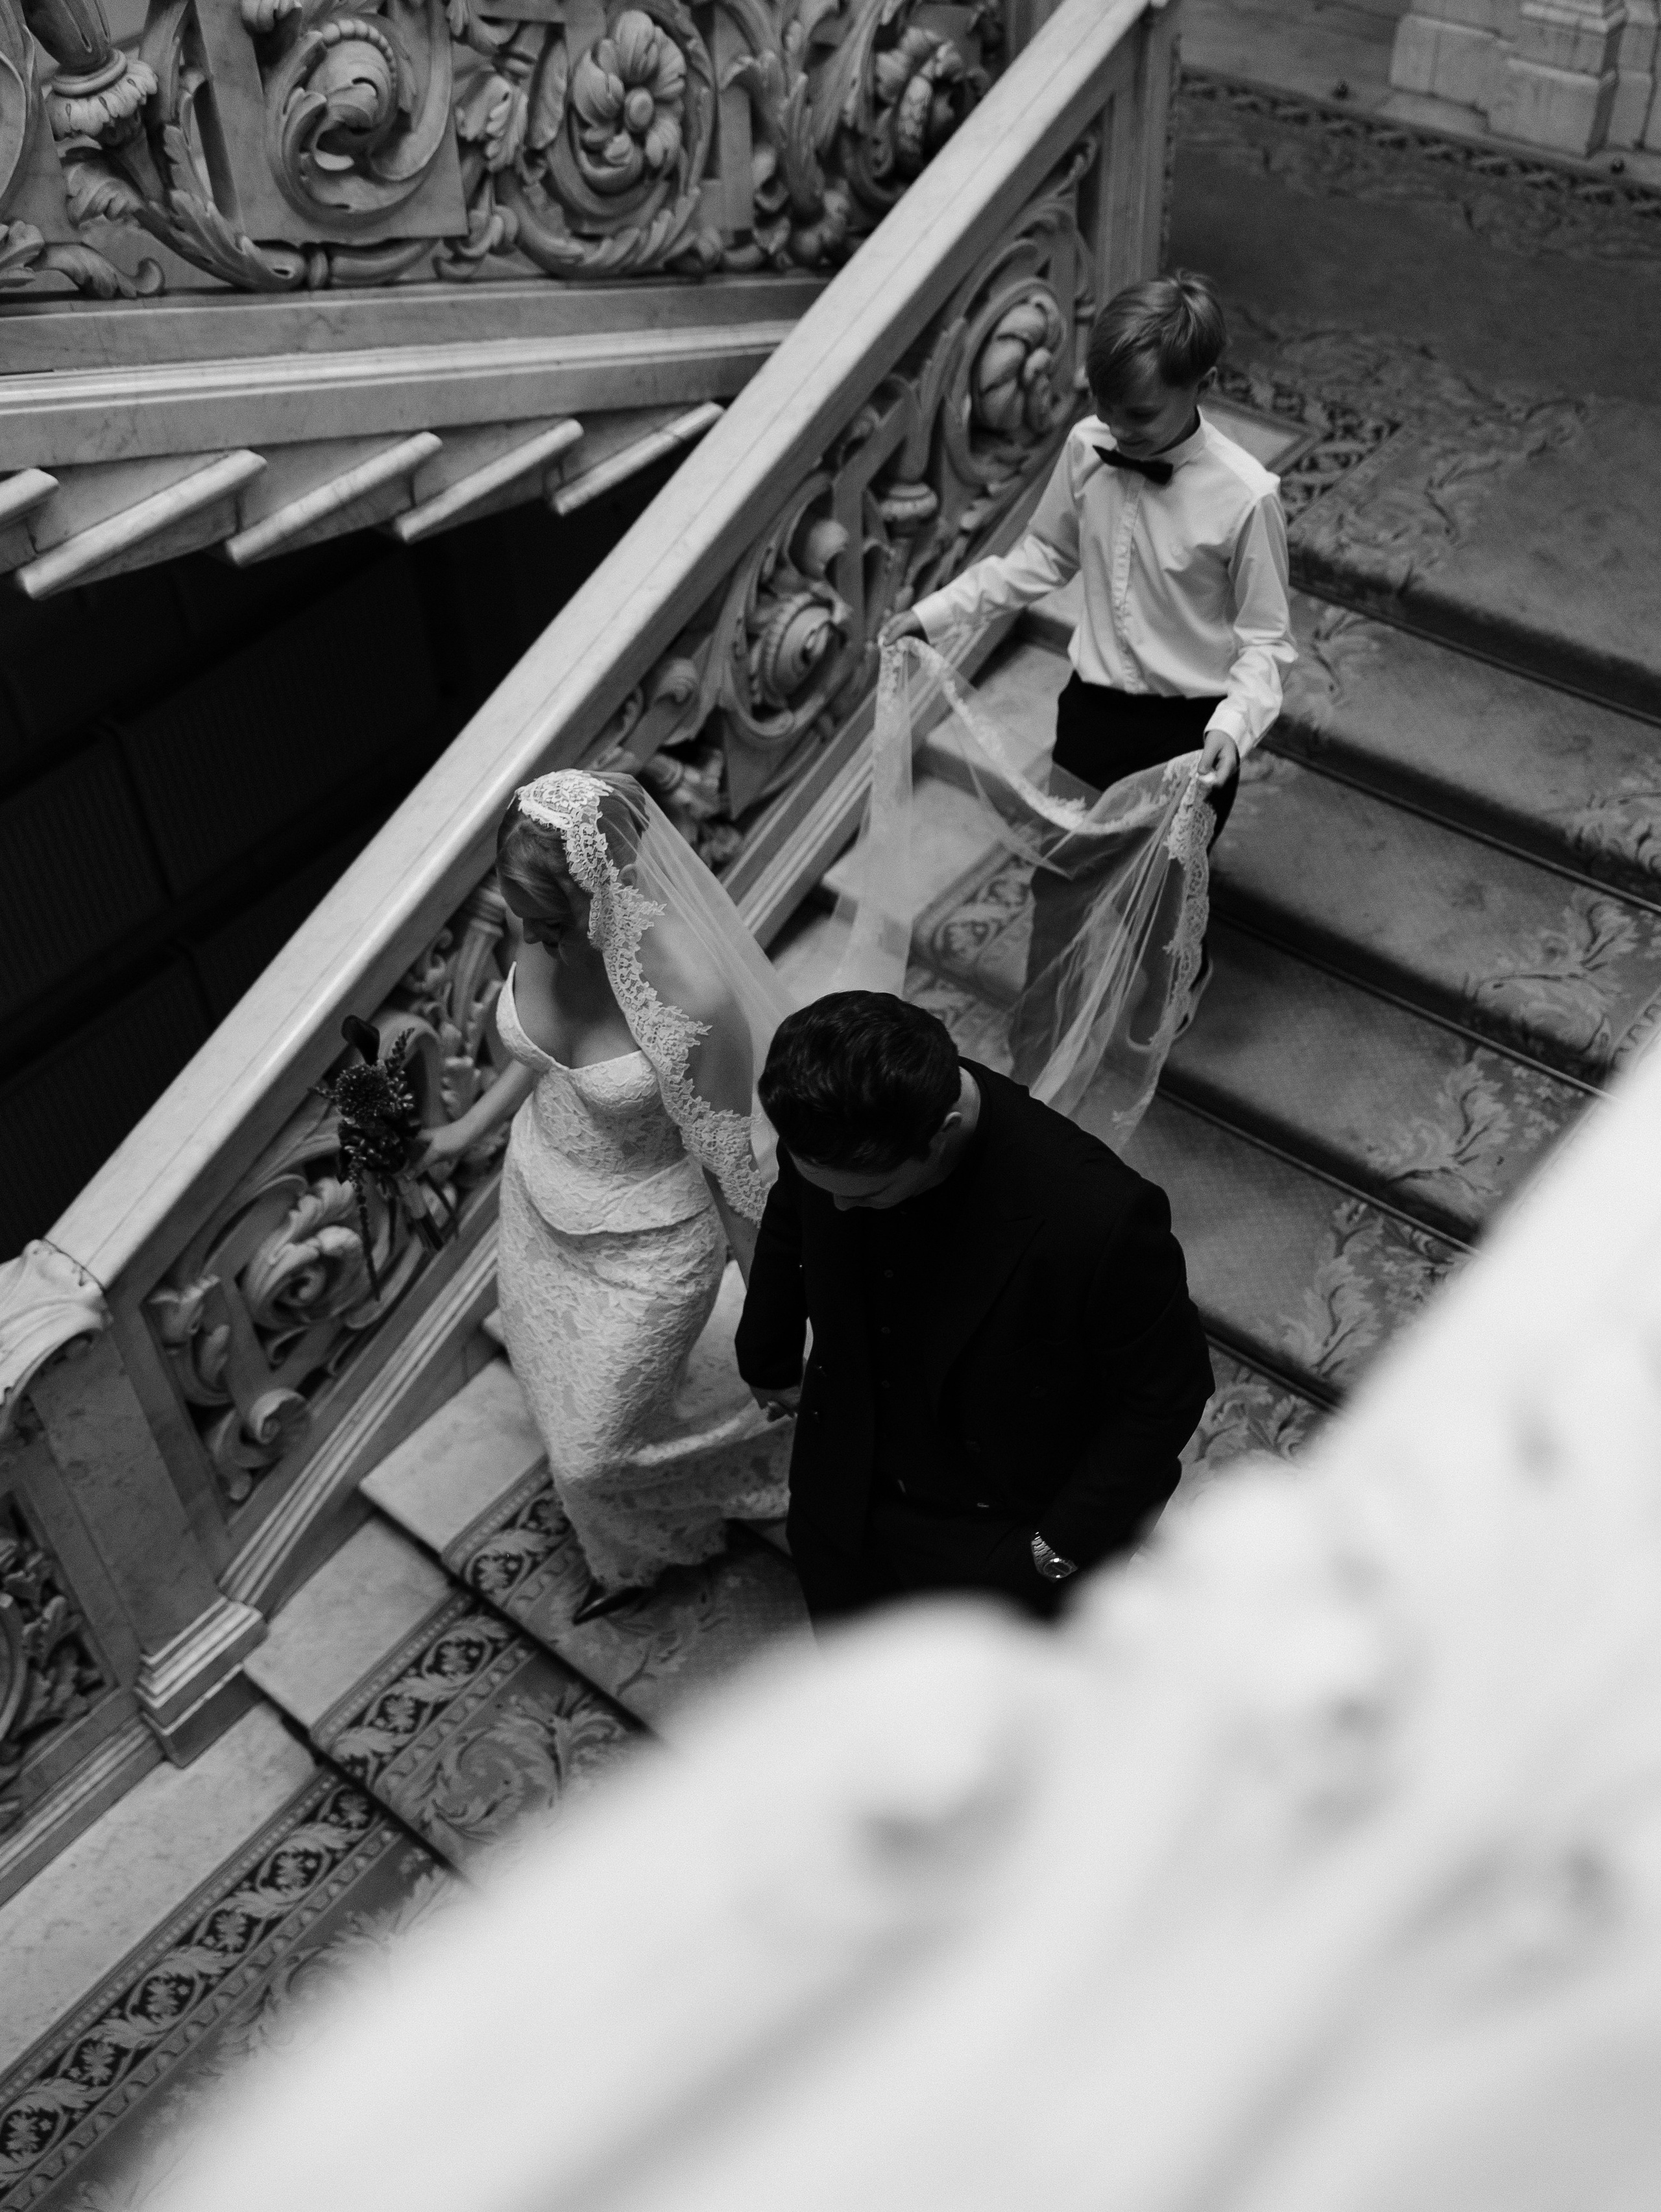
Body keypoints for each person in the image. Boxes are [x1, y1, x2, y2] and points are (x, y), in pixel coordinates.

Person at [882, 269, 1294, 1058]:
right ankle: (1036, 1051)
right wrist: (937, 612)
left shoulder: (1246, 496)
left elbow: (1266, 641)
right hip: (1093, 713)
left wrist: (1233, 727)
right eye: (1104, 406)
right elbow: (1040, 556)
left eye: (1136, 413)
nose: (1115, 428)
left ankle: (1177, 976)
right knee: (1061, 881)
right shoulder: (1087, 446)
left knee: (1163, 888)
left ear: (1203, 385)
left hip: (1190, 731)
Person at [420, 769, 794, 1623]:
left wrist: (775, 1329)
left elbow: (731, 1170)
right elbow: (542, 1052)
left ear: (609, 886)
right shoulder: (538, 922)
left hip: (653, 1241)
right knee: (550, 1376)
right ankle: (628, 1558)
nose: (533, 939)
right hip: (537, 1194)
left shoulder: (692, 999)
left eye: (552, 923)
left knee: (590, 1453)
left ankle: (785, 1430)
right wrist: (467, 1127)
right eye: (524, 917)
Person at [733, 991, 1215, 1622]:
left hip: (999, 1525)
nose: (840, 1208)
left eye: (869, 1195)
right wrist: (766, 1352)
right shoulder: (831, 1116)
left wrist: (1055, 1550)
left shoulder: (1097, 1215)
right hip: (842, 1484)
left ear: (941, 1136)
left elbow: (1165, 1396)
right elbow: (792, 1217)